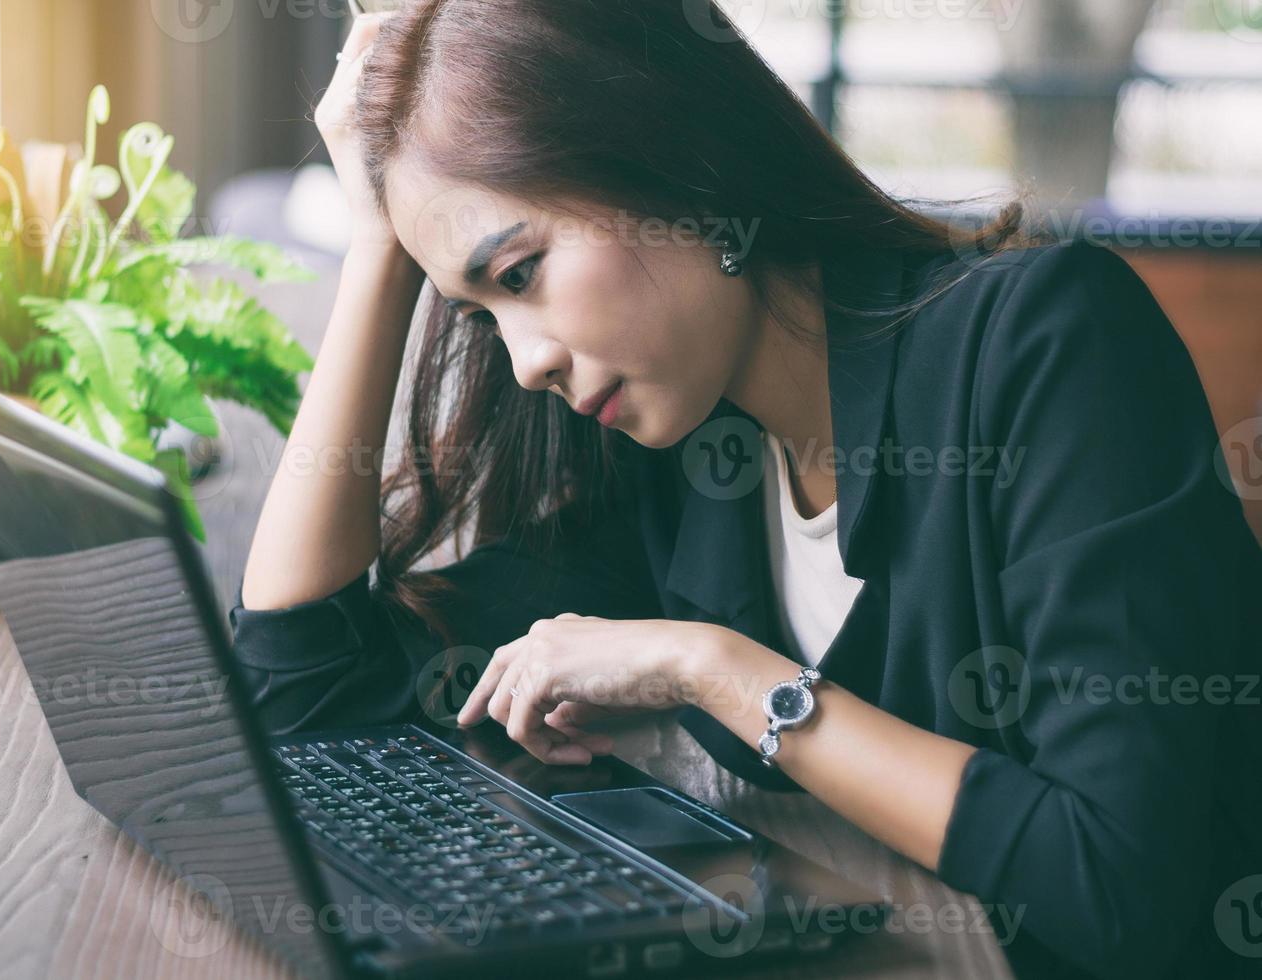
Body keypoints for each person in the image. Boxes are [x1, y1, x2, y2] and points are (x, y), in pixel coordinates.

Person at [230, 3, 1262, 978]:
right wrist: (379, 246)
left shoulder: (1052, 346)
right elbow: (309, 692)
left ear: (679, 165)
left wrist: (714, 668)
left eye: (520, 273)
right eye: (479, 312)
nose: (525, 358)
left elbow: (1120, 887)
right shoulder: (683, 458)